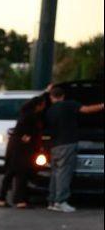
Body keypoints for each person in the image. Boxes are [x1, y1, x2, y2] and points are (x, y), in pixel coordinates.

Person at [44, 84, 105, 213]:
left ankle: (52, 201)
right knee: (64, 173)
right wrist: (102, 106)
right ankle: (61, 201)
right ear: (63, 96)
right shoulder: (68, 105)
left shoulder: (50, 110)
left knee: (55, 174)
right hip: (67, 143)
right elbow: (87, 110)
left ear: (51, 97)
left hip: (54, 145)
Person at [0, 95, 45, 209]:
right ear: (39, 105)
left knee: (11, 173)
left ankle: (2, 198)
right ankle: (19, 200)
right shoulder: (31, 117)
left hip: (15, 149)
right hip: (22, 150)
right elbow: (28, 135)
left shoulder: (25, 114)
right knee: (21, 174)